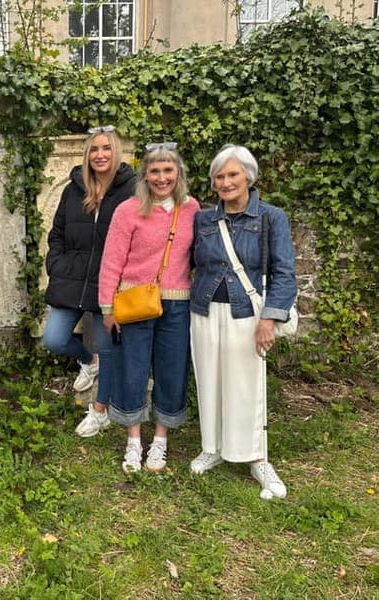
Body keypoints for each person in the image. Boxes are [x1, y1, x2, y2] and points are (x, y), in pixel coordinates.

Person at [189, 145, 296, 498]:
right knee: (209, 381)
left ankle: (257, 457)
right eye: (219, 176)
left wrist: (269, 319)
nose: (225, 182)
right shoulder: (203, 219)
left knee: (247, 386)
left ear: (248, 176)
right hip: (204, 311)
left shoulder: (271, 217)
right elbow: (190, 263)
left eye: (232, 174)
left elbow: (284, 273)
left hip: (247, 315)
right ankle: (213, 447)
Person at [98, 143, 200, 473]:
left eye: (168, 170)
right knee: (133, 370)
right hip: (134, 301)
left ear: (178, 173)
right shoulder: (128, 210)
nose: (161, 177)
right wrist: (107, 308)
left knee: (172, 370)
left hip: (177, 303)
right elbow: (111, 261)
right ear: (145, 175)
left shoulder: (191, 209)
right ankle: (133, 441)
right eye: (154, 171)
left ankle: (160, 441)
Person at [43, 126, 136, 438]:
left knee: (108, 349)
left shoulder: (131, 189)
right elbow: (57, 233)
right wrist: (57, 264)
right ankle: (88, 360)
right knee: (54, 339)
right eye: (94, 149)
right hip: (71, 277)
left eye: (106, 148)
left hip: (110, 282)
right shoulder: (74, 189)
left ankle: (100, 411)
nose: (100, 154)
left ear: (116, 151)